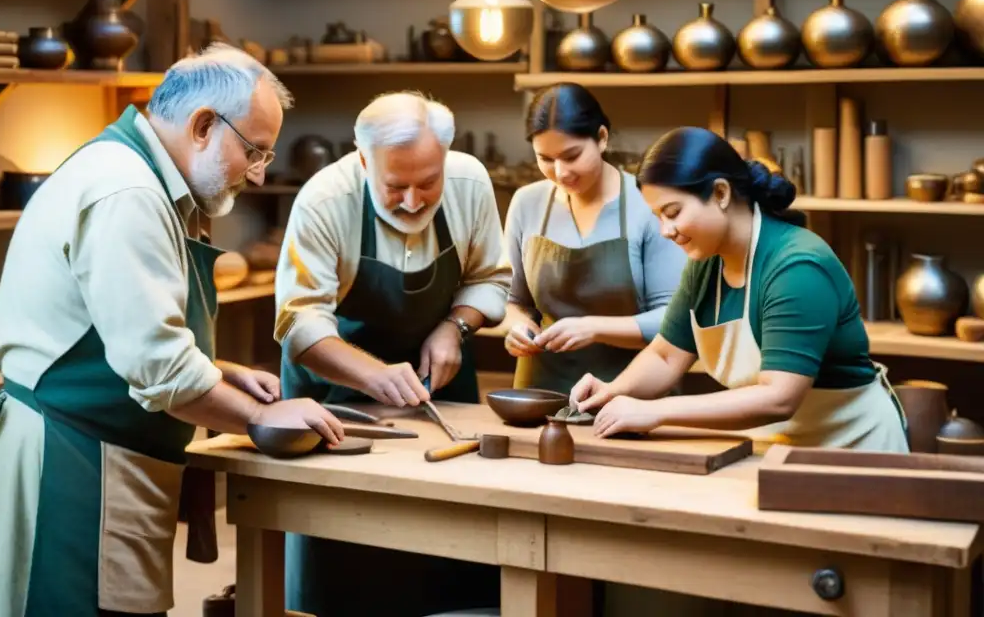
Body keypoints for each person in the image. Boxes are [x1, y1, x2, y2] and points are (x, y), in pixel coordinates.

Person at [0, 44, 345, 617]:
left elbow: (120, 335)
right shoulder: (128, 192)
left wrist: (220, 373)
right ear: (202, 126)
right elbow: (158, 368)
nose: (260, 172)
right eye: (254, 150)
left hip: (106, 454)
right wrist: (259, 417)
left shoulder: (143, 177)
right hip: (72, 464)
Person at [274, 90, 512, 616]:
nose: (412, 200)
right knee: (344, 552)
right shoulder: (324, 201)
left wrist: (454, 327)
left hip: (441, 386)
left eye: (428, 183)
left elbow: (490, 278)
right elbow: (299, 322)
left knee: (452, 537)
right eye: (395, 186)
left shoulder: (471, 184)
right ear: (363, 161)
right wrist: (374, 377)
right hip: (337, 396)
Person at [570, 126, 909, 451]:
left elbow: (779, 397)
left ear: (720, 193)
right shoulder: (705, 265)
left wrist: (655, 411)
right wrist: (613, 392)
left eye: (672, 213)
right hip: (775, 446)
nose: (665, 230)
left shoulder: (797, 267)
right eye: (658, 216)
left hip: (853, 447)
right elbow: (666, 355)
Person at [503, 83, 687, 394]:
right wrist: (516, 328)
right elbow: (513, 302)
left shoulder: (648, 205)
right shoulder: (527, 203)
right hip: (539, 392)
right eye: (545, 159)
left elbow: (673, 320)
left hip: (630, 391)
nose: (560, 172)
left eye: (571, 155)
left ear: (601, 138)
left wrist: (593, 328)